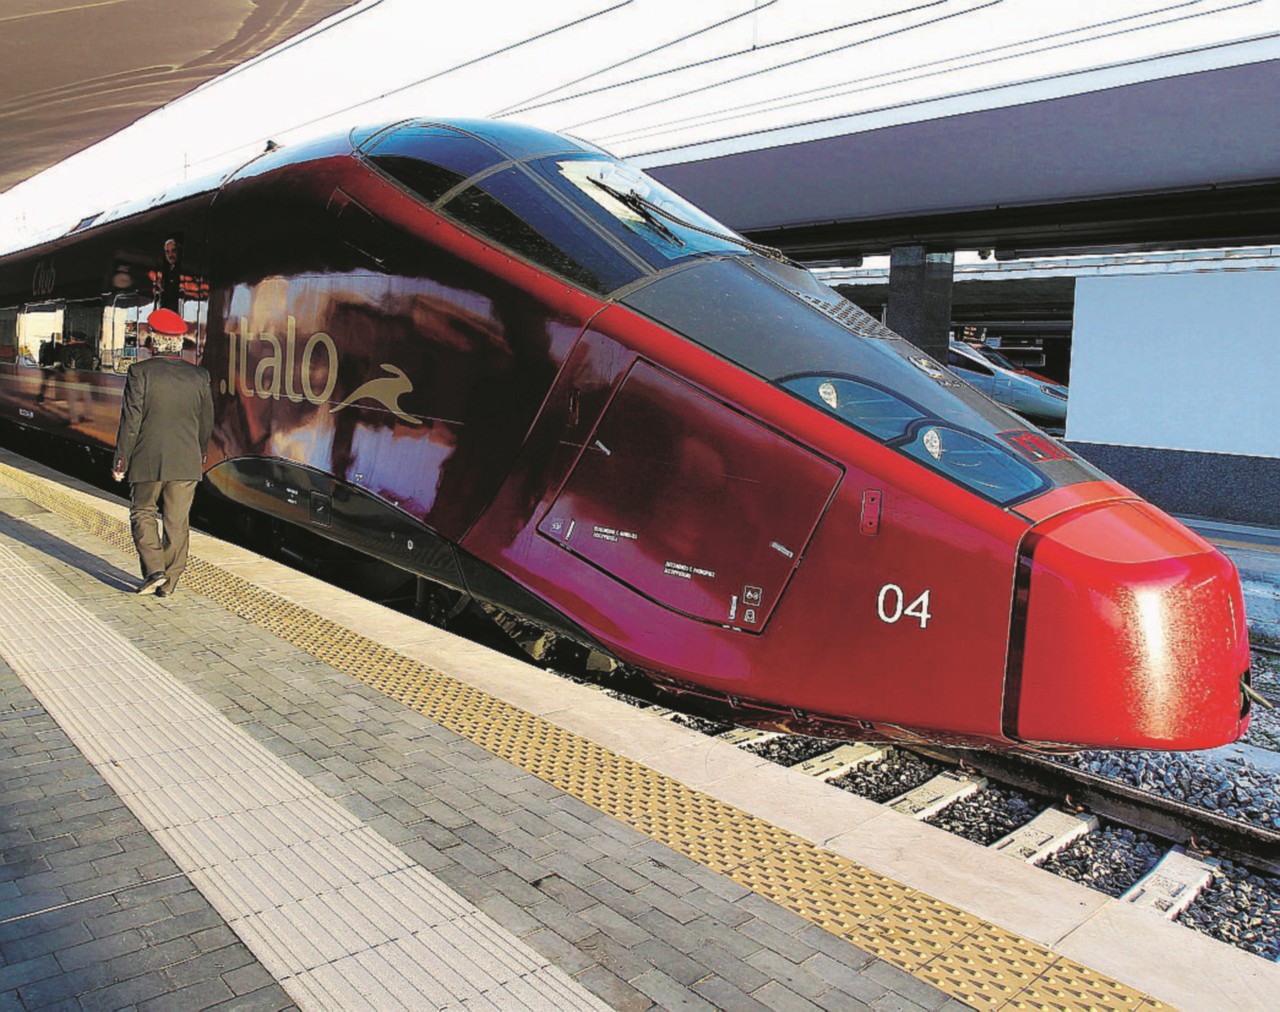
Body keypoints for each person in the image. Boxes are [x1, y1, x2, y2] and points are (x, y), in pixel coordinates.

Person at [112, 308, 213, 596]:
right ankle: (169, 583)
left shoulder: (140, 372)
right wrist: (199, 454)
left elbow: (131, 421)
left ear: (153, 341)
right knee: (177, 522)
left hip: (148, 457)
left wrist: (121, 461)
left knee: (143, 511)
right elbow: (206, 421)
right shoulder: (199, 375)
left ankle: (155, 569)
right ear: (179, 342)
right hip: (186, 460)